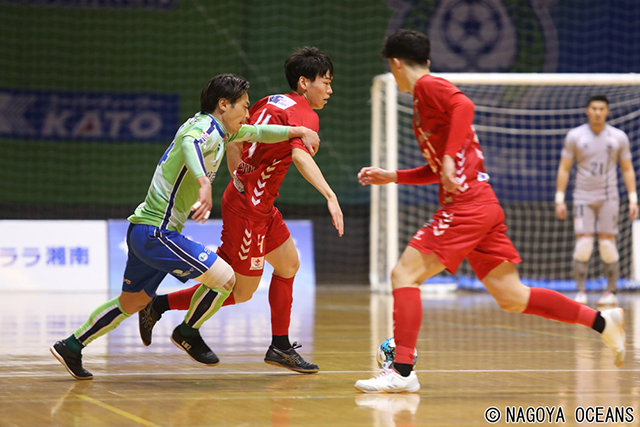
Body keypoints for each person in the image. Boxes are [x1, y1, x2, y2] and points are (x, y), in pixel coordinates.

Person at [354, 29, 626, 394]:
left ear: (396, 63)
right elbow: (440, 169)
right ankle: (603, 322)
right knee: (513, 297)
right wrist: (394, 176)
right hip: (482, 205)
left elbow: (464, 107)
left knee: (404, 274)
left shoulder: (428, 86)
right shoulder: (425, 99)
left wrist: (449, 157)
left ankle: (402, 371)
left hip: (467, 206)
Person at [50, 74, 320, 380]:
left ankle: (72, 345)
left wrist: (297, 131)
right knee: (225, 279)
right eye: (244, 106)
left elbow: (260, 131)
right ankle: (187, 332)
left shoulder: (223, 131)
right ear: (223, 105)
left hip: (143, 231)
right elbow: (189, 142)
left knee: (133, 301)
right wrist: (204, 182)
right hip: (157, 232)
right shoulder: (204, 127)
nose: (248, 113)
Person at [138, 47, 342, 374]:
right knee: (240, 290)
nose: (330, 90)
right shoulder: (305, 114)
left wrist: (239, 177)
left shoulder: (268, 101)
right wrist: (330, 196)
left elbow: (234, 139)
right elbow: (301, 156)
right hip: (250, 210)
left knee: (288, 264)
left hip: (256, 204)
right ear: (304, 83)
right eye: (326, 82)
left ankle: (280, 346)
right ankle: (164, 309)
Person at [555, 94, 638, 307]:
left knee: (607, 245)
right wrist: (559, 198)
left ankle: (611, 291)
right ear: (587, 111)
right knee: (584, 244)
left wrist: (632, 198)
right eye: (594, 108)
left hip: (609, 197)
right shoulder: (575, 136)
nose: (598, 113)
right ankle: (580, 292)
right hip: (583, 197)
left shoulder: (618, 137)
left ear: (607, 111)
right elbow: (564, 168)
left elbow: (627, 169)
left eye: (601, 109)